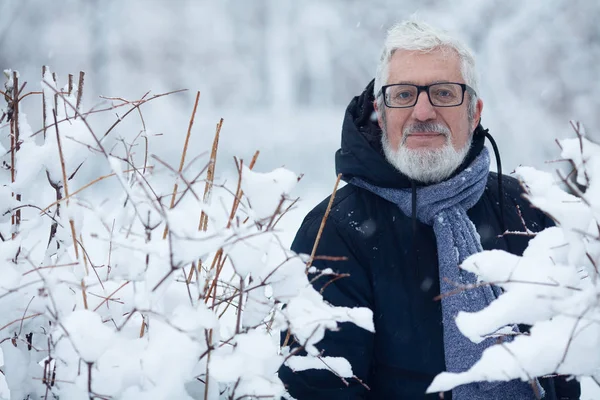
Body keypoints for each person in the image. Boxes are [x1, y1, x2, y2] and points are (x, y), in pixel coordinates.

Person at [278, 20, 582, 399]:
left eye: (442, 92)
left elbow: (567, 369)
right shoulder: (335, 230)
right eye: (403, 95)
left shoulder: (527, 210)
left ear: (474, 112)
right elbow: (319, 389)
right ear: (380, 111)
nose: (423, 112)